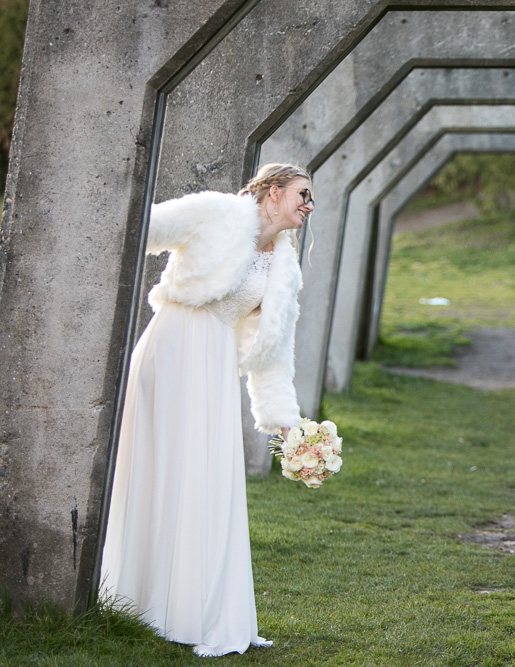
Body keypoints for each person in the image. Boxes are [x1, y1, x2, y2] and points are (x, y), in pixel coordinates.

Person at [100, 163, 314, 656]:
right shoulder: (216, 212)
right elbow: (141, 225)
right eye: (302, 194)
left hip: (215, 365)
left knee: (206, 479)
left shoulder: (285, 268)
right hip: (172, 346)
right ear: (272, 193)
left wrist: (287, 425)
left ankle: (194, 609)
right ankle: (136, 600)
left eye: (310, 200)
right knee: (160, 468)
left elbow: (274, 352)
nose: (307, 206)